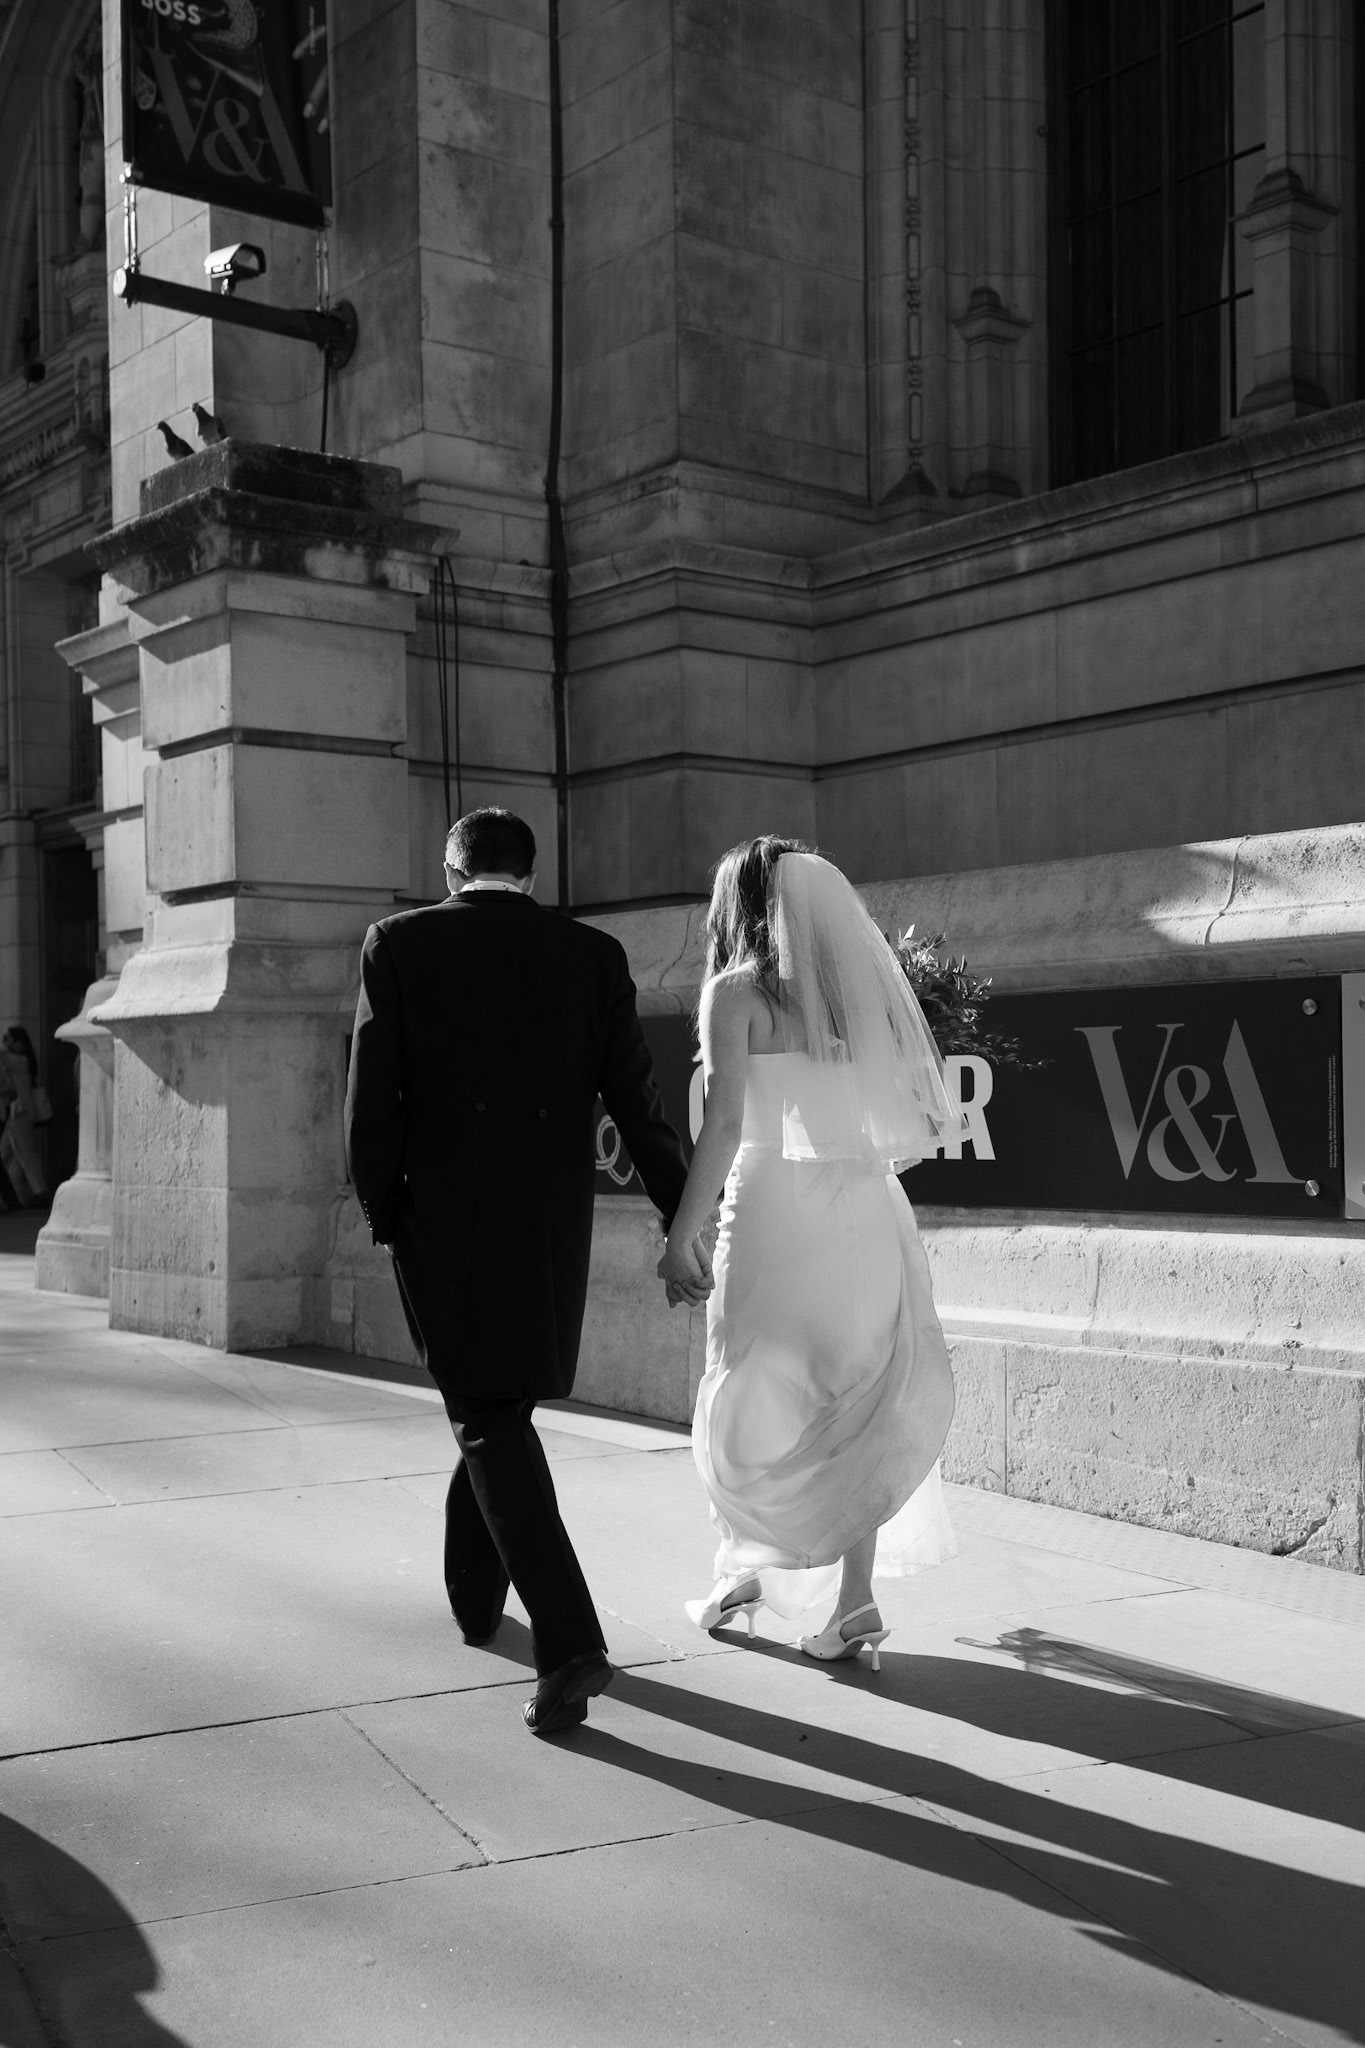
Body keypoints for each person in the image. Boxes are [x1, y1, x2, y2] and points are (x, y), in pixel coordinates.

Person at [344, 808, 699, 1736]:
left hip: (443, 1220)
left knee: (483, 1410)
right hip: (549, 1222)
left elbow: (370, 1091)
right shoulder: (591, 954)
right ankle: (473, 1596)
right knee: (496, 1403)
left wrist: (383, 1210)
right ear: (530, 874)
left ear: (451, 866)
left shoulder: (398, 943)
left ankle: (571, 1639)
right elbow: (637, 1100)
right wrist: (679, 1209)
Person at [658, 838, 960, 1667]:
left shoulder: (736, 992)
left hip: (774, 1212)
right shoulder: (850, 997)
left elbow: (721, 1125)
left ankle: (742, 1564)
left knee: (747, 1385)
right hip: (865, 1208)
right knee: (859, 1394)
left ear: (739, 908)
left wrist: (681, 1230)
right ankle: (852, 1600)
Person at [1, 1026, 48, 1208]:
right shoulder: (20, 1059)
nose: (7, 1042)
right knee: (6, 1152)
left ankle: (39, 1191)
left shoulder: (19, 1060)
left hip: (20, 1112)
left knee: (26, 1154)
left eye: (10, 1038)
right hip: (16, 1112)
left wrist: (5, 1043)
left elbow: (3, 1054)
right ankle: (16, 1195)